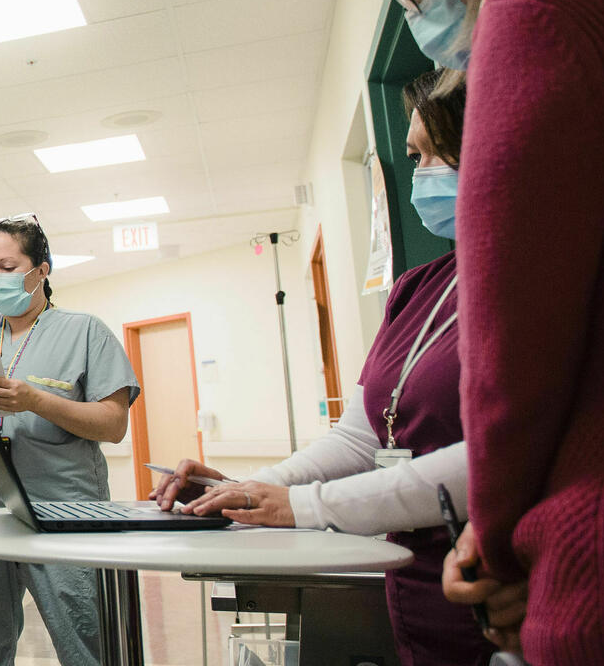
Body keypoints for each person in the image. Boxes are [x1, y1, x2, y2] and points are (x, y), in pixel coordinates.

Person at [349, 0, 604, 661]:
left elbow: (514, 376)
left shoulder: (544, 11)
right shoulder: (420, 287)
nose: (418, 15)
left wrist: (503, 547)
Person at [152, 72, 496, 666]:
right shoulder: (420, 288)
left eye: (432, 155)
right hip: (415, 587)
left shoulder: (538, 279)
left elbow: (498, 455)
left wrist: (304, 507)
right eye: (414, 157)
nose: (419, 175)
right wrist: (249, 489)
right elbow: (362, 436)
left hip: (501, 589)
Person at [0, 216, 138, 666]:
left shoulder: (86, 332)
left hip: (60, 507)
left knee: (85, 635)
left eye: (7, 266)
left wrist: (35, 401)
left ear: (41, 270)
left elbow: (113, 423)